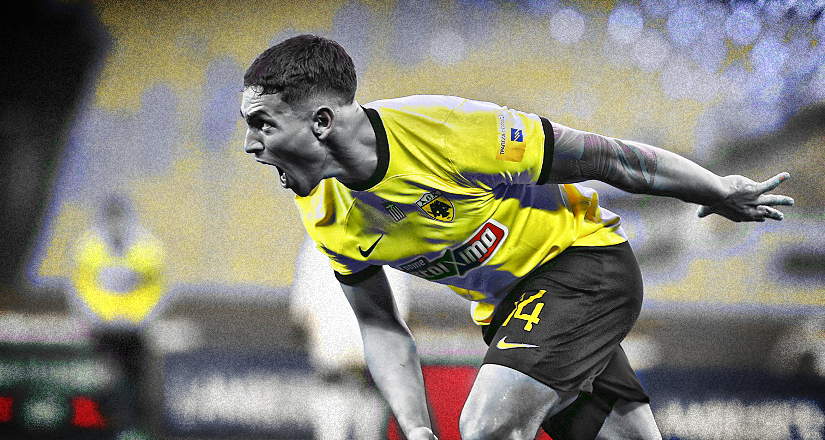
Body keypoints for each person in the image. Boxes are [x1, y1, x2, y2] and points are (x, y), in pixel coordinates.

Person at [239, 35, 794, 440]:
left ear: (321, 122)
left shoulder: (447, 130)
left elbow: (602, 157)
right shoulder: (322, 209)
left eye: (263, 123)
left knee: (487, 427)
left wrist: (714, 188)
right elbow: (380, 324)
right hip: (509, 312)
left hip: (581, 266)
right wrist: (415, 427)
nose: (250, 145)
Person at [290, 234, 411, 440]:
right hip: (336, 363)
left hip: (368, 366)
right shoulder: (318, 240)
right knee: (334, 419)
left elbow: (398, 299)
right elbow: (303, 300)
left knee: (366, 422)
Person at [69, 193, 166, 439]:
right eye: (111, 219)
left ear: (129, 219)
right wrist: (98, 317)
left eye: (120, 218)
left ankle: (136, 429)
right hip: (102, 330)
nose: (116, 225)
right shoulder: (88, 248)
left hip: (135, 331)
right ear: (102, 220)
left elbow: (157, 289)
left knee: (140, 381)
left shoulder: (147, 248)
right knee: (104, 381)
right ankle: (106, 429)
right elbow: (80, 289)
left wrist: (140, 318)